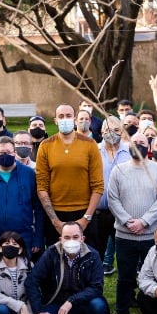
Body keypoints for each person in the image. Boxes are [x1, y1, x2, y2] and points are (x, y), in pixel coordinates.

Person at [105, 139, 157, 314]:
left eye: (142, 142)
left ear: (148, 147)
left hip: (152, 235)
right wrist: (127, 221)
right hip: (124, 236)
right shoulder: (119, 170)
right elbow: (112, 198)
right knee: (124, 278)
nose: (138, 145)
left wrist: (144, 222)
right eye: (135, 142)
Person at [25, 222, 107, 314]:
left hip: (82, 304)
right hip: (56, 304)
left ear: (83, 239)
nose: (71, 241)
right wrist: (38, 311)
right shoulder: (51, 253)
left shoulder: (93, 255)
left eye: (75, 237)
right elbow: (32, 281)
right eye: (67, 237)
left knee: (98, 305)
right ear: (60, 240)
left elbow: (96, 287)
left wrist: (71, 301)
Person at [36, 104, 105, 249]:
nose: (64, 119)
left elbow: (98, 186)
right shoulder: (46, 146)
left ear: (74, 119)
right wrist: (55, 221)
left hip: (85, 212)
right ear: (55, 120)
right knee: (56, 262)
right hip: (56, 213)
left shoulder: (90, 144)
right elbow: (41, 186)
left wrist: (86, 219)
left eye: (68, 116)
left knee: (87, 260)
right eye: (61, 117)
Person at [0, 137, 43, 258]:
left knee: (23, 274)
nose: (5, 155)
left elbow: (38, 208)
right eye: (1, 153)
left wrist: (38, 238)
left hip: (23, 237)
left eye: (8, 152)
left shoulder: (28, 174)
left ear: (14, 152)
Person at [95, 116, 130, 274]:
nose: (112, 133)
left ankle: (126, 296)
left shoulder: (131, 151)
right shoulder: (93, 151)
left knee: (126, 257)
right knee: (96, 255)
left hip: (123, 214)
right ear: (102, 131)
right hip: (98, 213)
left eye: (116, 130)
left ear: (122, 131)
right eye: (108, 130)